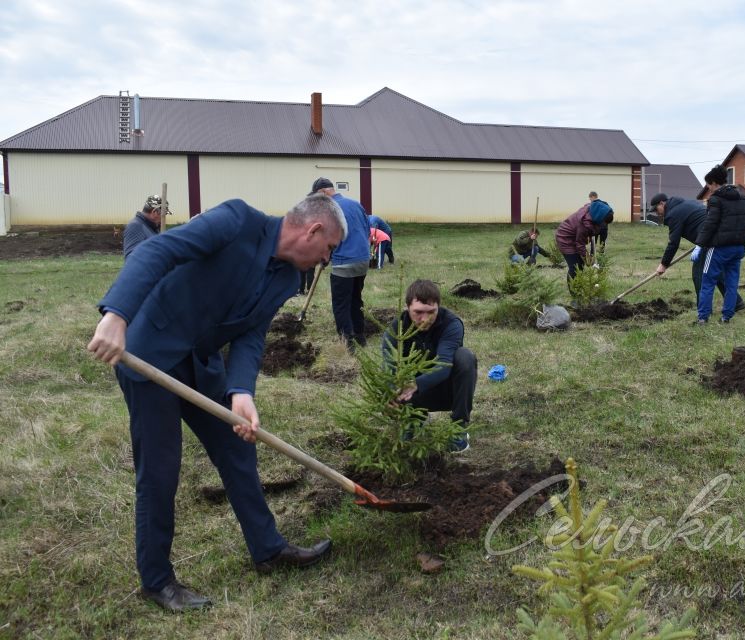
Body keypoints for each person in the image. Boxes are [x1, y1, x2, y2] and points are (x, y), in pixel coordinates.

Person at [86, 195, 347, 612]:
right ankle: (156, 580)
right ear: (313, 230)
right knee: (159, 468)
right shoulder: (237, 221)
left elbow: (251, 335)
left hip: (201, 364)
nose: (327, 260)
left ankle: (268, 549)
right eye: (329, 249)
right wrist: (117, 314)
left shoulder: (285, 280)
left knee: (237, 449)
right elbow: (159, 249)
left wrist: (241, 390)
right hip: (150, 350)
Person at [382, 279, 476, 453]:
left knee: (465, 357)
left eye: (431, 312)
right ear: (407, 307)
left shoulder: (451, 324)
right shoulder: (397, 329)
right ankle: (412, 419)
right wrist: (391, 392)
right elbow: (388, 367)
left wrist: (415, 384)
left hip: (446, 390)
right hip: (409, 395)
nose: (424, 319)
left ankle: (459, 428)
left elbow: (443, 365)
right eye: (418, 312)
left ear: (438, 307)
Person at [651, 192, 745, 313]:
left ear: (662, 203)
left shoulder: (673, 214)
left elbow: (673, 243)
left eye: (656, 209)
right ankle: (737, 303)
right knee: (715, 272)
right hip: (716, 235)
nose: (656, 213)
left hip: (708, 239)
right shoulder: (685, 203)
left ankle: (704, 311)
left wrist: (663, 264)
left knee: (698, 274)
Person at [309, 178, 371, 351]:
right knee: (355, 299)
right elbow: (367, 230)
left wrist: (324, 257)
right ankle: (360, 336)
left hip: (345, 262)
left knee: (340, 303)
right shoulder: (356, 204)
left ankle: (347, 342)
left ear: (323, 193)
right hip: (363, 260)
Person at [692, 165, 745, 324]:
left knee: (707, 281)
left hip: (719, 249)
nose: (707, 187)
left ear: (714, 183)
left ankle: (703, 318)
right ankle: (726, 317)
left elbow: (710, 224)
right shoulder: (741, 197)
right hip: (738, 248)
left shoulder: (715, 200)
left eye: (708, 184)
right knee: (732, 283)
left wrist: (699, 244)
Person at [555, 203, 613, 284]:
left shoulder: (594, 212)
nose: (605, 225)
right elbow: (580, 245)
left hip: (575, 237)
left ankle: (579, 285)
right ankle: (574, 291)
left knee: (580, 264)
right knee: (575, 266)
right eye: (604, 222)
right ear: (599, 218)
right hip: (565, 239)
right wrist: (588, 260)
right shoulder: (584, 224)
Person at [123, 195, 170, 260]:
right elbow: (131, 259)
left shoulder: (152, 227)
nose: (164, 218)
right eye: (164, 215)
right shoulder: (135, 226)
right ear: (155, 212)